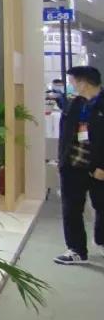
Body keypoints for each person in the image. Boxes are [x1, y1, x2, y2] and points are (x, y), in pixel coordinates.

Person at [56, 65, 104, 265]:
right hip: (72, 166)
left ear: (84, 83)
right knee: (71, 209)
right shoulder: (73, 104)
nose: (72, 85)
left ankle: (101, 240)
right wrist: (62, 161)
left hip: (98, 168)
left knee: (101, 206)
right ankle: (76, 250)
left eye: (74, 81)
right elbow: (65, 134)